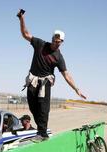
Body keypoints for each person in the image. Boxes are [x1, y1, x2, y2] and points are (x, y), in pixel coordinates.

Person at [17, 9, 86, 140]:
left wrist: (76, 88)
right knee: (33, 106)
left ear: (62, 42)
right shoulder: (40, 44)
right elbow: (25, 34)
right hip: (33, 80)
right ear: (52, 38)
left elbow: (66, 74)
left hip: (45, 82)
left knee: (43, 107)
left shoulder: (59, 57)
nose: (56, 42)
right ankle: (41, 129)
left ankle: (42, 133)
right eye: (55, 40)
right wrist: (21, 19)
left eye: (59, 41)